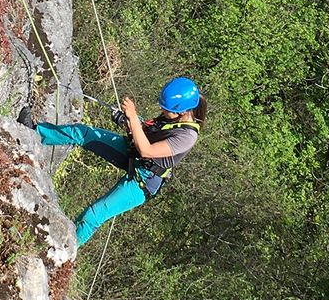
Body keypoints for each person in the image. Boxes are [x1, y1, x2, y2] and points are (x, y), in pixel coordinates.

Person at [17, 77, 205, 247]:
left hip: (143, 181)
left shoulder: (187, 136)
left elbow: (148, 150)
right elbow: (147, 133)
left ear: (183, 111)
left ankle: (62, 252)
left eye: (168, 110)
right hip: (134, 155)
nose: (163, 111)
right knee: (83, 133)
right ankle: (34, 131)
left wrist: (132, 117)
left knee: (93, 216)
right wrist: (130, 122)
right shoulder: (171, 117)